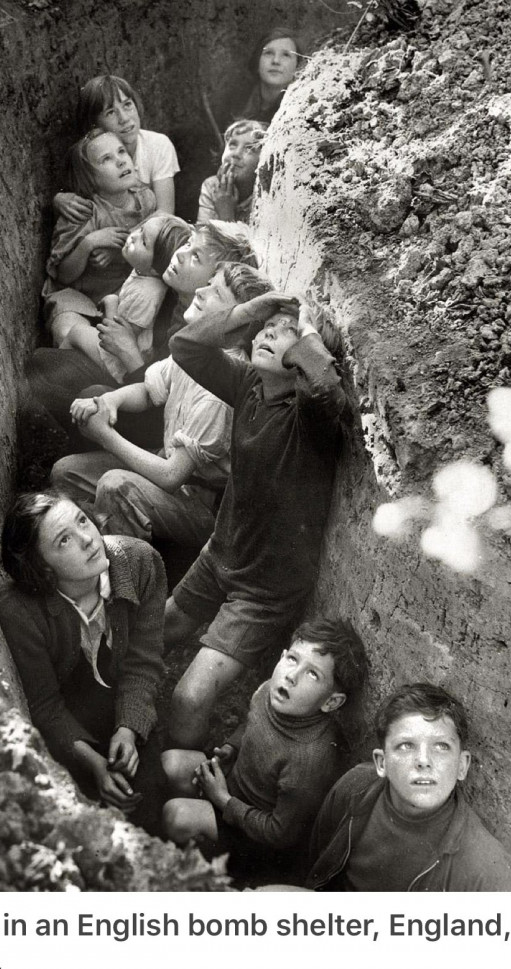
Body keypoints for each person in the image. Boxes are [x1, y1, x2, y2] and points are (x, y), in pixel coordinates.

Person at [165, 293, 347, 748]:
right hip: (220, 554)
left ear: (306, 354)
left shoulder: (310, 416)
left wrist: (306, 331)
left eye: (285, 330)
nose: (269, 333)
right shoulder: (249, 385)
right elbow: (186, 346)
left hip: (264, 590)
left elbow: (328, 392)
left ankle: (176, 776)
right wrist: (251, 309)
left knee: (189, 698)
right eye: (267, 327)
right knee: (157, 632)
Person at [50, 263, 272, 549]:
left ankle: (125, 567)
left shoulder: (218, 390)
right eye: (208, 283)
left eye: (215, 292)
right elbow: (148, 389)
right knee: (65, 474)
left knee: (115, 486)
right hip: (165, 464)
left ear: (235, 324)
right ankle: (91, 540)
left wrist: (105, 435)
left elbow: (172, 476)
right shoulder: (194, 353)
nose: (201, 291)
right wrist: (109, 400)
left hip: (199, 504)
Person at [0, 490, 166, 832]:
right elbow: (45, 705)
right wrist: (94, 765)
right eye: (64, 541)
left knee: (148, 803)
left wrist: (129, 729)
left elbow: (143, 665)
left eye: (82, 521)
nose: (88, 540)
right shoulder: (19, 611)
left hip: (121, 697)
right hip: (70, 715)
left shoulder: (141, 562)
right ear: (42, 566)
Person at [162, 619, 368, 881]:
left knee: (176, 815)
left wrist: (223, 800)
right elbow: (253, 720)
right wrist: (231, 746)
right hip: (233, 791)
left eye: (312, 674)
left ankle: (211, 875)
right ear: (282, 657)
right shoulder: (271, 690)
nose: (292, 676)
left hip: (256, 839)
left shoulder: (309, 759)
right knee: (170, 763)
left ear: (331, 702)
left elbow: (279, 834)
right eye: (293, 659)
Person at [27, 220, 257, 450]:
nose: (180, 254)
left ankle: (80, 454)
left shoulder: (202, 332)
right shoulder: (171, 289)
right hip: (131, 379)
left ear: (214, 279)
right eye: (188, 243)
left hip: (158, 426)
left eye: (196, 257)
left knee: (80, 388)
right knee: (44, 363)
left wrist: (129, 353)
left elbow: (159, 409)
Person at [303, 683, 511, 891]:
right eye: (406, 745)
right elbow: (314, 864)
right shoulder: (355, 787)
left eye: (441, 746)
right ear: (382, 763)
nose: (423, 760)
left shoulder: (482, 868)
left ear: (462, 766)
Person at [43, 129, 157, 347]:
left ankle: (115, 360)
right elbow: (63, 276)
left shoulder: (146, 199)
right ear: (90, 178)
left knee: (141, 328)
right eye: (107, 159)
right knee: (66, 329)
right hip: (79, 296)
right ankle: (94, 357)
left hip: (122, 292)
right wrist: (89, 243)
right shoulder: (84, 212)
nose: (121, 161)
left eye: (121, 152)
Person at [59, 213, 190, 384]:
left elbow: (119, 334)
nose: (133, 237)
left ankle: (54, 373)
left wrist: (112, 302)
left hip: (119, 362)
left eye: (144, 242)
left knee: (76, 333)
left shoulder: (145, 294)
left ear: (155, 269)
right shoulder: (142, 272)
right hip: (118, 345)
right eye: (141, 229)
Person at [55, 74, 179, 220]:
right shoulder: (89, 154)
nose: (124, 119)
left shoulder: (157, 145)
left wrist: (123, 237)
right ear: (94, 125)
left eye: (127, 105)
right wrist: (58, 199)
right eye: (111, 112)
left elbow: (165, 213)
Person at [197, 120, 267, 224]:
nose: (236, 154)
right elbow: (202, 237)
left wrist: (226, 215)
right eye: (233, 145)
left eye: (249, 149)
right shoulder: (212, 186)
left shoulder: (266, 195)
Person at [237, 27, 305, 126]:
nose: (276, 61)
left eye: (286, 55)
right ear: (257, 61)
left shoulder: (299, 111)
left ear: (297, 66)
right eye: (268, 53)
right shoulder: (237, 104)